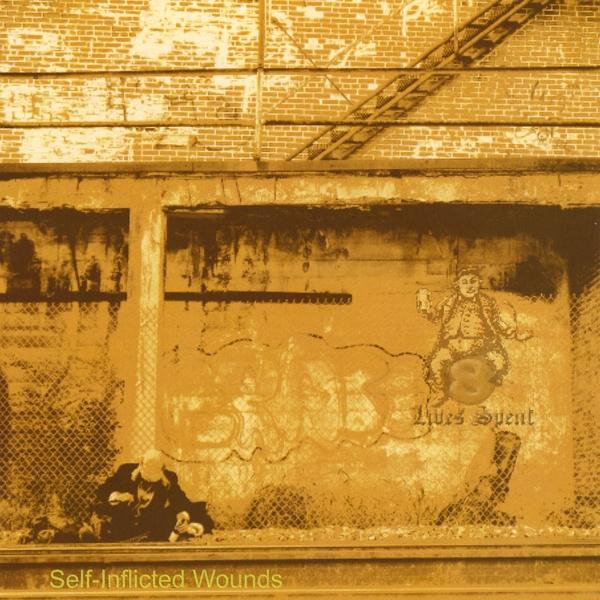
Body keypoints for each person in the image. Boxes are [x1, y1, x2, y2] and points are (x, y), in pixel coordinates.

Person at [417, 267, 516, 406]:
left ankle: (490, 383)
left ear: (479, 283)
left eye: (473, 281)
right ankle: (439, 391)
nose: (469, 286)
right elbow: (433, 316)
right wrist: (424, 304)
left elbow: (496, 320)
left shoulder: (486, 302)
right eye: (464, 282)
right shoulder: (448, 302)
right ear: (457, 285)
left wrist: (508, 331)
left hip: (480, 347)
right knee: (435, 363)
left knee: (499, 360)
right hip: (451, 346)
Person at [80, 449, 213, 542]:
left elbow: (182, 502)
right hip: (121, 522)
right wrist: (117, 495)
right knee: (104, 519)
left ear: (162, 471)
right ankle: (98, 535)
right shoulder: (125, 471)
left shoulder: (169, 479)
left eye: (153, 480)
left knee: (170, 519)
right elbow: (102, 491)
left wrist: (184, 517)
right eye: (145, 477)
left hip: (147, 527)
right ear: (141, 464)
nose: (148, 483)